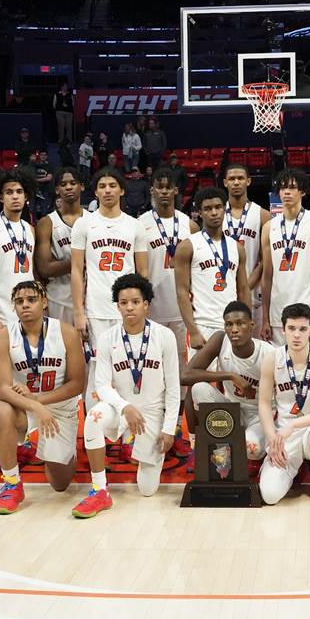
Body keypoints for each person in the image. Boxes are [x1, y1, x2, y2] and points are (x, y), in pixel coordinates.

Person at [76, 274, 180, 516]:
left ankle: (143, 449)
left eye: (135, 301)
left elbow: (174, 387)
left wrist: (169, 428)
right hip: (120, 408)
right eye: (123, 302)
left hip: (152, 412)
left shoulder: (164, 336)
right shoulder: (106, 337)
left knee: (147, 489)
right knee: (93, 418)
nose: (129, 307)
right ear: (118, 306)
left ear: (146, 304)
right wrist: (124, 407)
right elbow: (101, 385)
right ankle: (99, 490)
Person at [0, 282, 85, 514]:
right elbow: (3, 389)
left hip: (58, 407)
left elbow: (76, 384)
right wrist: (33, 405)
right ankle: (12, 484)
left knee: (59, 484)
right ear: (14, 307)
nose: (25, 305)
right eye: (19, 302)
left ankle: (65, 448)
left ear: (44, 302)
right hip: (24, 406)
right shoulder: (3, 337)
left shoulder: (66, 332)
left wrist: (39, 402)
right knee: (0, 412)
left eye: (31, 299)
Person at [0, 168, 39, 460]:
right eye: (9, 192)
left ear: (26, 196)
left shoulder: (29, 229)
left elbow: (29, 273)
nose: (15, 197)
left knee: (21, 377)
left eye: (19, 192)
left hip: (25, 314)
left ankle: (21, 436)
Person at [70, 166, 148, 403]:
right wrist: (78, 312)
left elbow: (142, 270)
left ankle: (126, 431)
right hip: (96, 308)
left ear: (122, 190)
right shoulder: (84, 224)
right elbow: (76, 269)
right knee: (98, 371)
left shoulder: (134, 225)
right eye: (102, 186)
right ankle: (97, 431)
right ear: (95, 192)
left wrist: (144, 305)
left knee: (129, 367)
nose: (107, 191)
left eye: (112, 185)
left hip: (129, 308)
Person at [256, 303, 310, 504]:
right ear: (283, 329)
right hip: (285, 435)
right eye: (291, 328)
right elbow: (264, 403)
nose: (296, 335)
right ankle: (296, 468)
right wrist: (272, 438)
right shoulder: (271, 359)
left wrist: (294, 424)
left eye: (303, 329)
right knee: (269, 496)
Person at [139, 168, 197, 456]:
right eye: (158, 186)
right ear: (151, 189)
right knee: (153, 371)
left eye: (168, 187)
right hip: (151, 310)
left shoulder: (190, 225)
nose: (163, 191)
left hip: (181, 310)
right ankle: (153, 423)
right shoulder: (140, 224)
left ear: (176, 191)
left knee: (180, 372)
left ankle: (175, 425)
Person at [183, 300, 273, 474]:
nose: (234, 329)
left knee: (251, 449)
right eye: (229, 324)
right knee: (199, 388)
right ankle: (200, 446)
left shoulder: (268, 354)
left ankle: (250, 452)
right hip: (232, 410)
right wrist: (230, 375)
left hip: (260, 415)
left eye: (240, 323)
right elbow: (185, 375)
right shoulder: (220, 340)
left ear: (251, 325)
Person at [260, 169, 310, 346]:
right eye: (283, 188)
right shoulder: (269, 227)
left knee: (306, 369)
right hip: (277, 313)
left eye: (292, 188)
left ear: (302, 191)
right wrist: (265, 318)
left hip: (307, 309)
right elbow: (267, 276)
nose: (287, 192)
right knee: (279, 367)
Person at [175, 186, 250, 349]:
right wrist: (192, 330)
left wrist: (247, 324)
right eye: (207, 209)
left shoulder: (237, 248)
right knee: (200, 375)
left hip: (232, 325)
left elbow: (244, 289)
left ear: (225, 209)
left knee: (230, 374)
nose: (214, 212)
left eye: (218, 207)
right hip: (202, 325)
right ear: (200, 213)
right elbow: (181, 291)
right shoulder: (187, 246)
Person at [223, 163, 270, 333]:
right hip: (224, 289)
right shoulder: (216, 213)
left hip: (253, 290)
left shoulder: (263, 215)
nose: (236, 182)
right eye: (232, 179)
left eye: (240, 178)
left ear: (248, 181)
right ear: (225, 182)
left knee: (254, 346)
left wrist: (245, 285)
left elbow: (266, 260)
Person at [35, 167, 83, 324]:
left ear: (81, 186)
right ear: (57, 190)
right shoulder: (47, 223)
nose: (68, 187)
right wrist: (82, 260)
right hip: (58, 298)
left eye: (73, 183)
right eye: (63, 184)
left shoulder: (94, 220)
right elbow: (45, 268)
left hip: (90, 297)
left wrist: (62, 263)